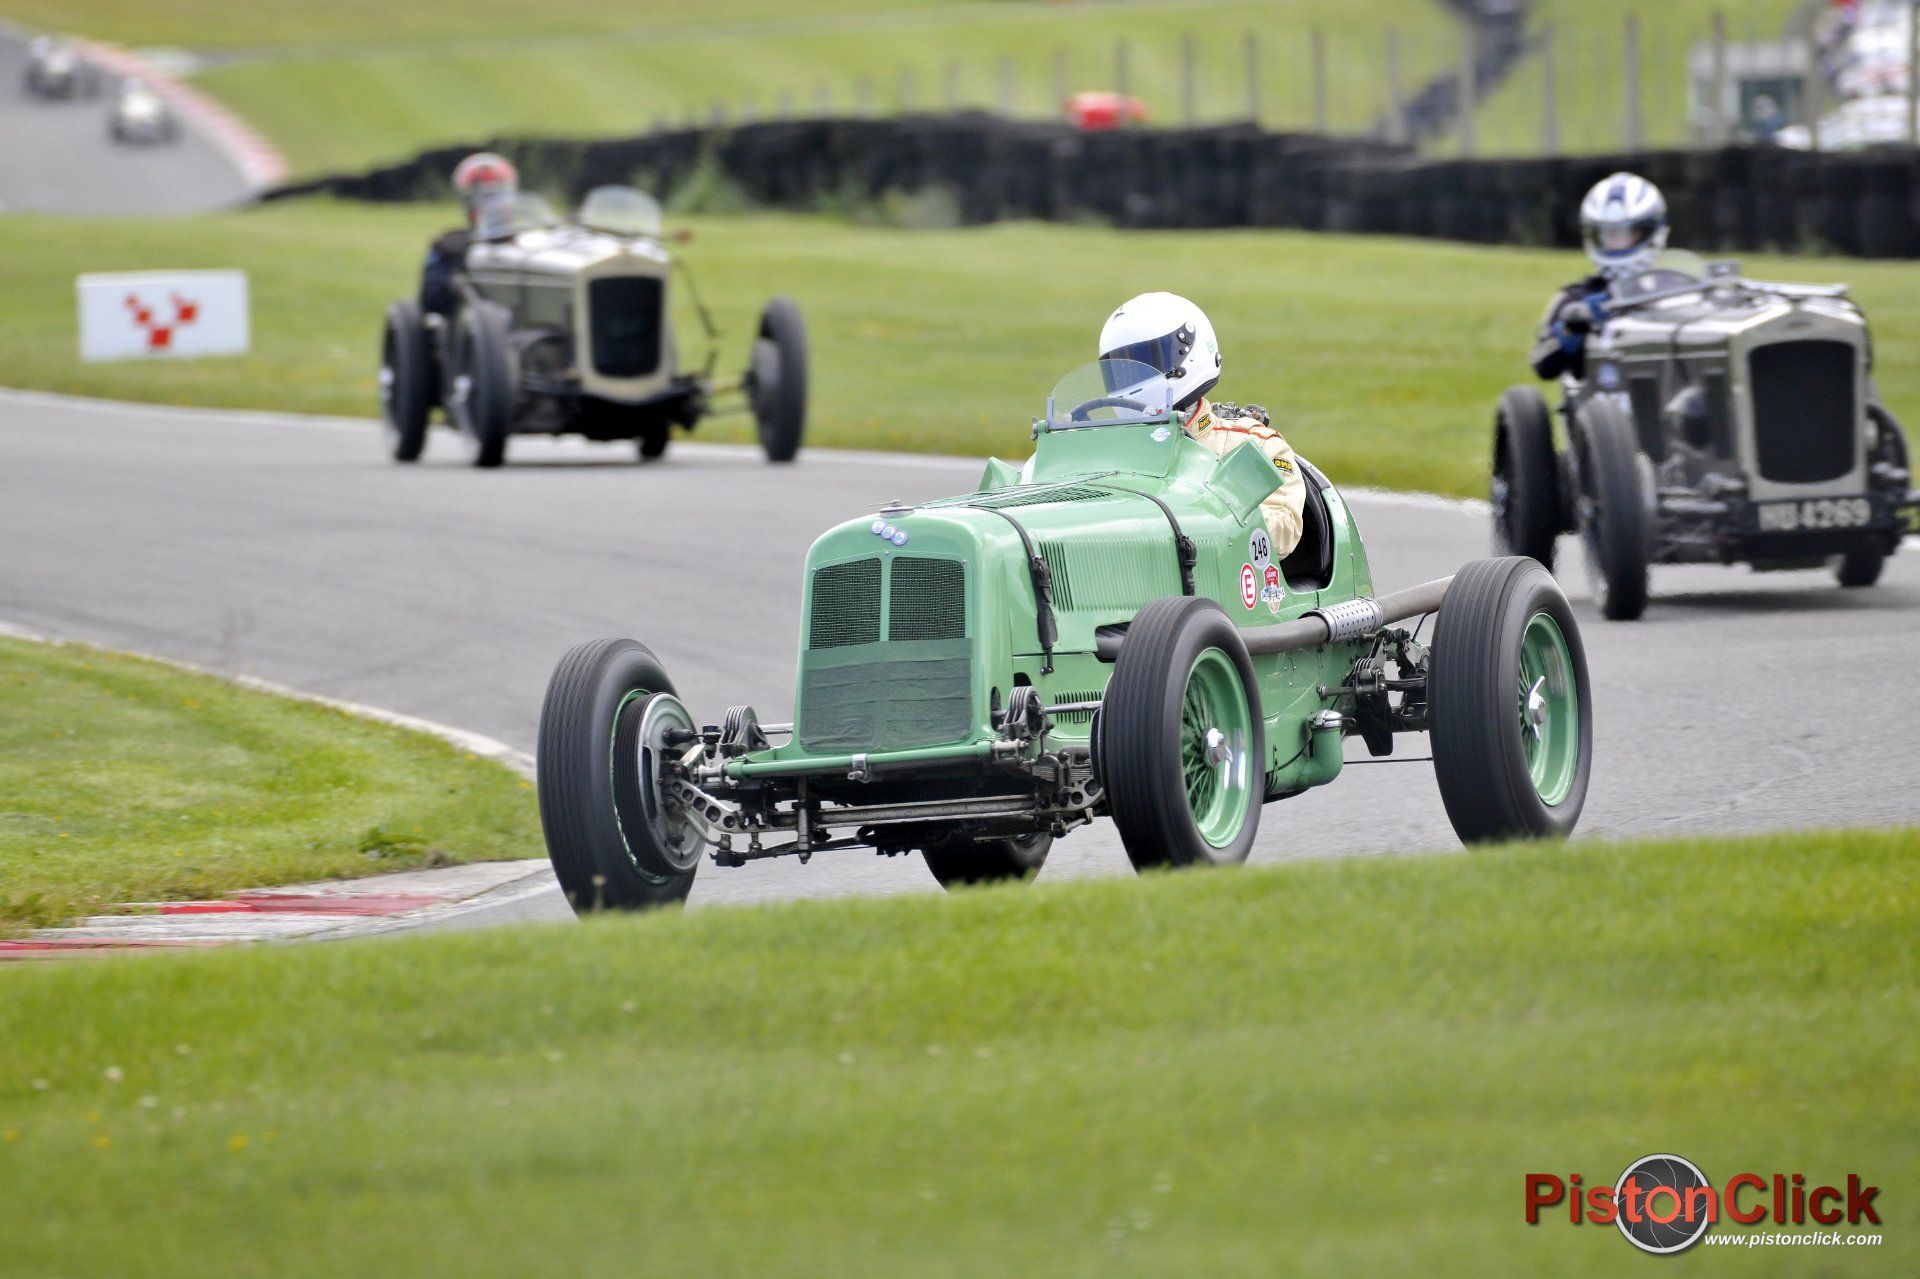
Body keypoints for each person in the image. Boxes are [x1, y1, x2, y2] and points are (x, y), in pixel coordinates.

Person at [1099, 291, 1304, 557]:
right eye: (1122, 370)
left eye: (1146, 362)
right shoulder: (1104, 450)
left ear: (1189, 350)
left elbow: (1284, 532)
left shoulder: (1252, 445)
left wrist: (1206, 511)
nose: (1134, 378)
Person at [1529, 172, 1669, 381]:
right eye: (1609, 235)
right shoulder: (1576, 298)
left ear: (1649, 233)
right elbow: (1542, 365)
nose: (1616, 244)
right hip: (1601, 400)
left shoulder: (1672, 290)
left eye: (1625, 234)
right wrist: (1571, 330)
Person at [418, 152, 519, 317]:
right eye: (485, 198)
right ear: (468, 202)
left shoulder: (530, 240)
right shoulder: (449, 246)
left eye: (498, 197)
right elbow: (431, 302)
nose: (494, 205)